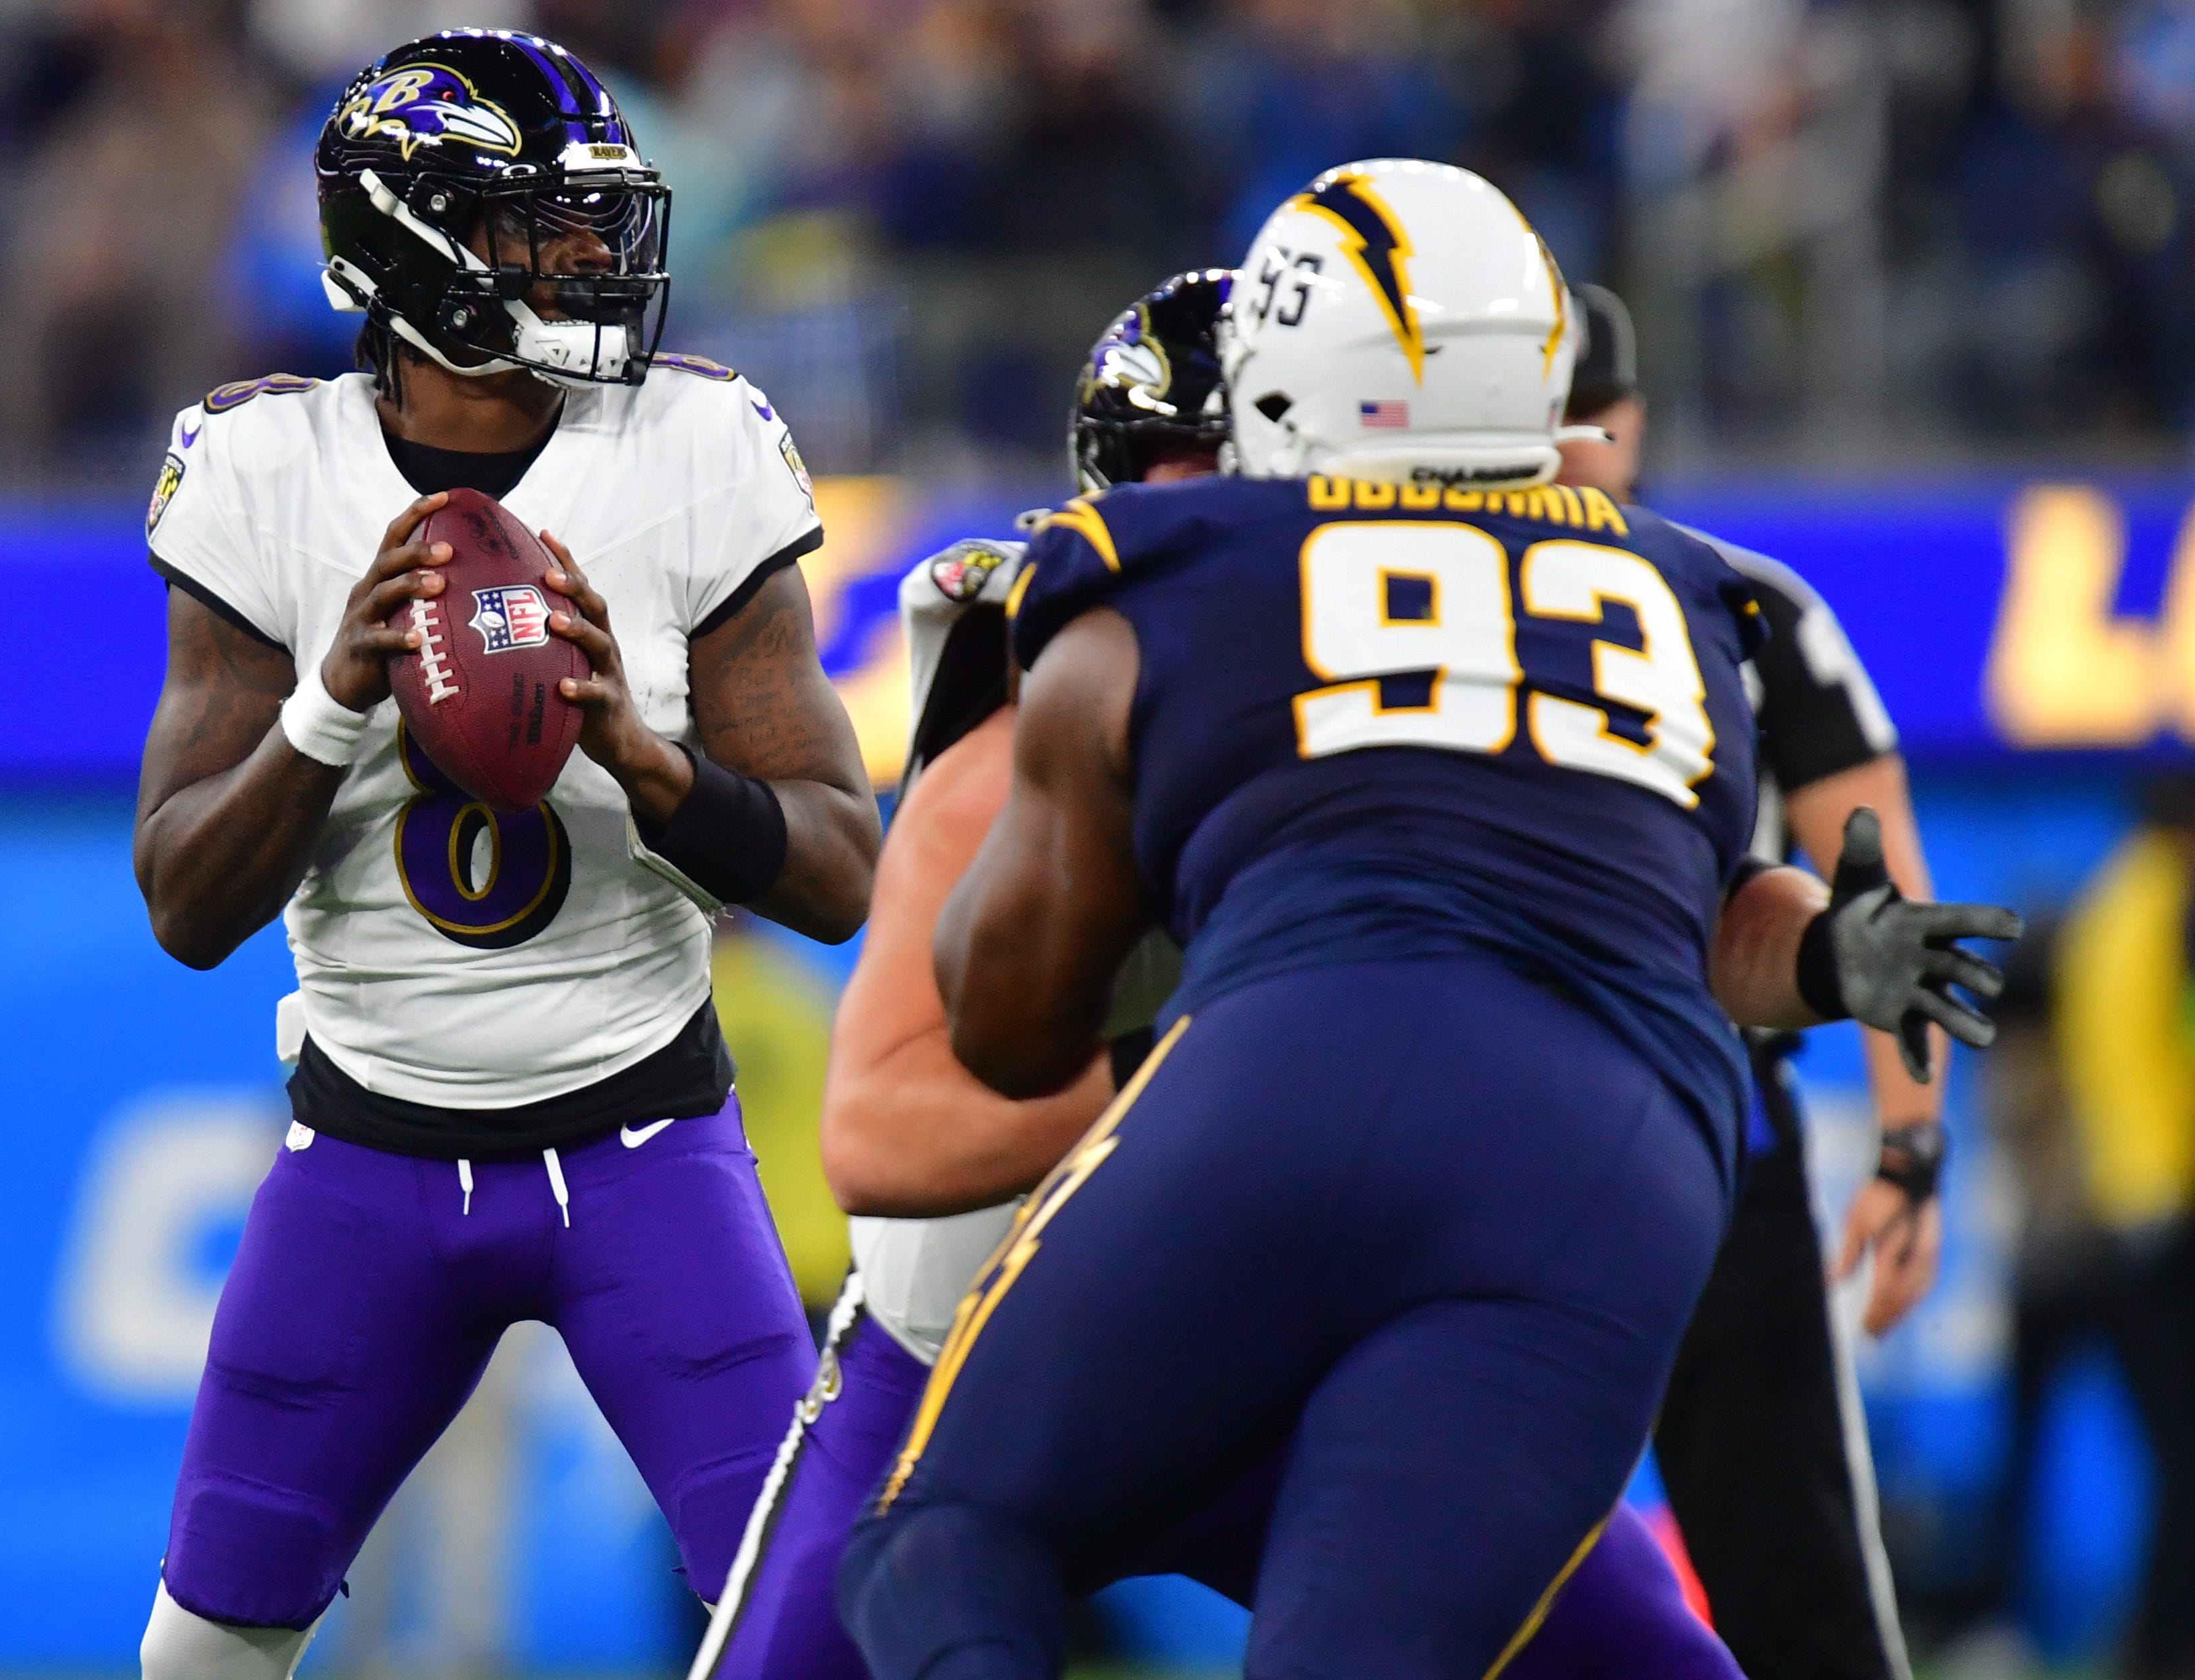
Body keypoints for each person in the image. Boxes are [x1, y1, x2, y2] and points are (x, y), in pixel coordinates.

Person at [838, 159, 2017, 1679]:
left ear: (1278, 388)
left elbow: (1007, 1034)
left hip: (1302, 1071)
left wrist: (1049, 821)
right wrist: (1819, 957)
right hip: (1623, 1157)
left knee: (948, 1540)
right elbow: (1698, 908)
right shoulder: (1688, 591)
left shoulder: (1162, 571)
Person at [695, 271, 1743, 1680]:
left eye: (1246, 479)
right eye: (1183, 480)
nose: (1211, 515)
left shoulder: (1436, 724)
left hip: (1291, 1361)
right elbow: (876, 1134)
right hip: (972, 1355)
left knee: (1646, 1658)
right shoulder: (1036, 723)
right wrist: (1216, 1079)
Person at [128, 31, 881, 1680]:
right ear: (408, 253)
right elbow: (184, 901)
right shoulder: (266, 467)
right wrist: (333, 709)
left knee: (810, 1629)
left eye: (592, 224)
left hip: (643, 1143)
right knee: (203, 1650)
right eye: (535, 228)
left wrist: (650, 762)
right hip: (366, 1153)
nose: (590, 262)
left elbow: (841, 874)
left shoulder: (694, 449)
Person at [1555, 282, 1948, 1680]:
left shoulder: (1742, 606)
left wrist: (1910, 1144)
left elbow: (1880, 898)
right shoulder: (1409, 599)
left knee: (1798, 1593)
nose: (1567, 453)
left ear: (1637, 422)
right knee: (1462, 1582)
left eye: (1587, 421)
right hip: (1505, 1119)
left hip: (1710, 1111)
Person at [2049, 774, 2195, 1678]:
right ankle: (2173, 1645)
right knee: (2194, 1454)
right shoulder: (2174, 904)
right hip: (2177, 1215)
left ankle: (2164, 1640)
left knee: (2180, 1455)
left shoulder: (2110, 901)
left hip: (2125, 1209)